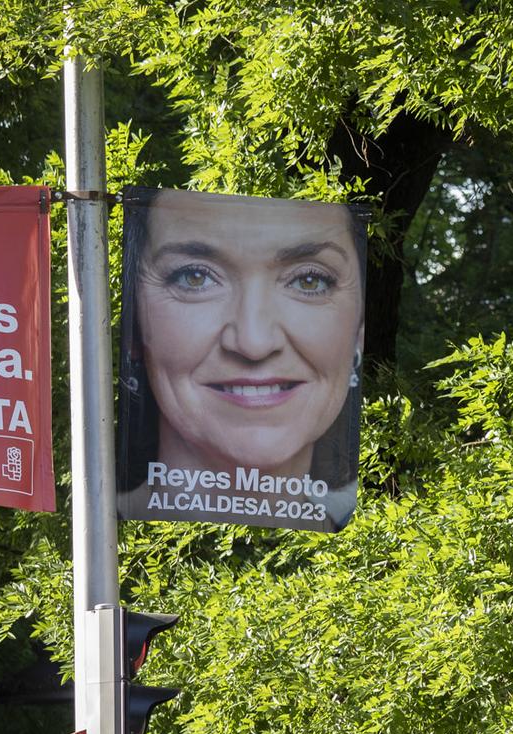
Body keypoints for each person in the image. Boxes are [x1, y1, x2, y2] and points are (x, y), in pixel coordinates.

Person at [118, 187, 366, 530]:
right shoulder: (93, 549)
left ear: (359, 332)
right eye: (195, 277)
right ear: (133, 328)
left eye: (310, 281)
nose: (253, 343)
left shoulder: (377, 549)